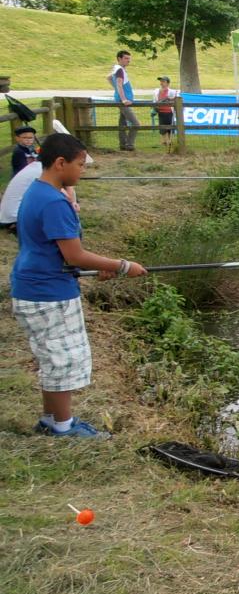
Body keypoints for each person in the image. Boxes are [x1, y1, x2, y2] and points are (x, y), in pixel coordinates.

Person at [10, 133, 147, 438]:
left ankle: (50, 419)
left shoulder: (38, 191)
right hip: (48, 295)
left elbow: (59, 254)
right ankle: (63, 427)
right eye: (80, 164)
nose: (83, 170)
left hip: (36, 286)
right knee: (63, 360)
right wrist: (123, 266)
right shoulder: (53, 202)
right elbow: (74, 254)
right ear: (60, 163)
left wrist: (91, 268)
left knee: (51, 357)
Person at [109, 49, 138, 151]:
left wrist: (117, 90)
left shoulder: (116, 69)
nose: (128, 60)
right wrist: (124, 99)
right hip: (123, 101)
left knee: (122, 123)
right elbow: (119, 85)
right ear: (119, 58)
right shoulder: (120, 70)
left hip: (120, 99)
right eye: (126, 58)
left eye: (129, 59)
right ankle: (129, 145)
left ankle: (122, 144)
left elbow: (108, 78)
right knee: (135, 123)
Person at [152, 76, 180, 152]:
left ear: (167, 83)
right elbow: (154, 101)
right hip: (160, 111)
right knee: (162, 127)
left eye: (163, 81)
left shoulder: (172, 92)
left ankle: (169, 141)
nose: (161, 83)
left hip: (169, 112)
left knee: (169, 127)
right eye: (161, 81)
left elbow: (177, 99)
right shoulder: (156, 91)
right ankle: (165, 141)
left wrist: (170, 99)